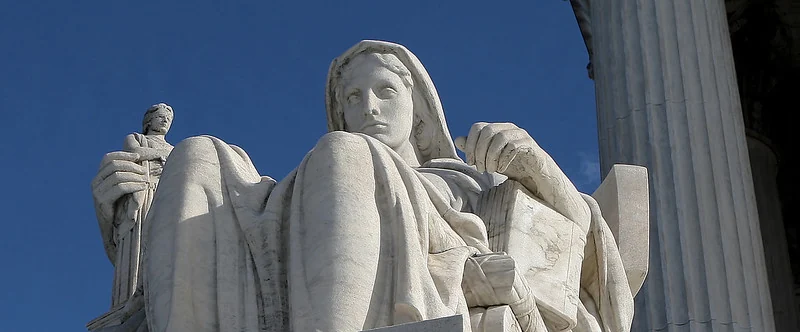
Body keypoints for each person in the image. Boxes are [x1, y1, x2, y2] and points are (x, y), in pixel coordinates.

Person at [91, 41, 632, 332]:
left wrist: (536, 164)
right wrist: (129, 217)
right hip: (304, 250)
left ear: (418, 109)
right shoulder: (312, 196)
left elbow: (588, 244)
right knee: (199, 154)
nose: (366, 107)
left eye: (384, 91)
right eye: (351, 98)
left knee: (344, 154)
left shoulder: (472, 181)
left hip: (441, 263)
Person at [93, 103, 174, 318]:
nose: (165, 121)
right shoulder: (137, 138)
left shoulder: (174, 149)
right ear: (149, 121)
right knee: (139, 242)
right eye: (160, 117)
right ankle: (129, 299)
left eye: (168, 118)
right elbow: (136, 152)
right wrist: (161, 156)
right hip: (143, 192)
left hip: (165, 196)